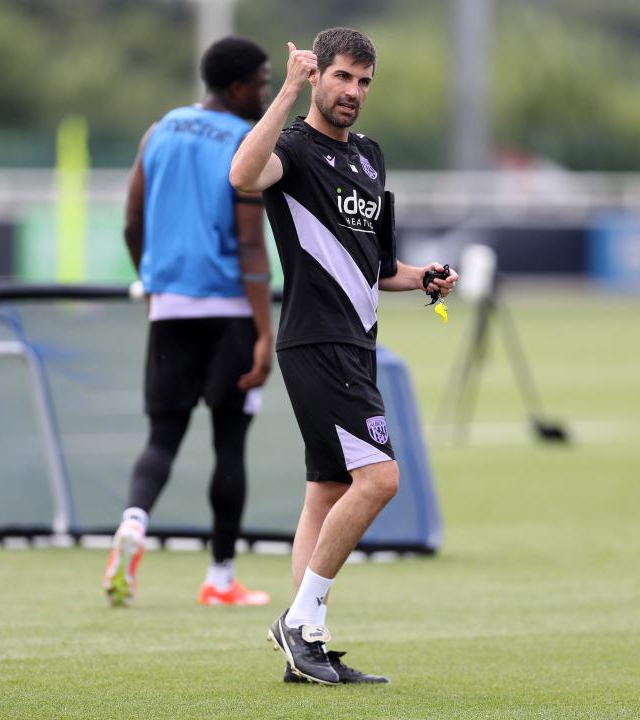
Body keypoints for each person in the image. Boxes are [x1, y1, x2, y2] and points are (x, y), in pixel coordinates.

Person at [229, 28, 458, 684]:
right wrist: (286, 92)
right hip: (317, 340)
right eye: (342, 77)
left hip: (357, 344)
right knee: (380, 480)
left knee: (328, 491)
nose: (354, 91)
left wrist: (424, 277)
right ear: (317, 77)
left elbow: (379, 267)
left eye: (364, 81)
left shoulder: (371, 157)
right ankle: (299, 620)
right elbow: (242, 175)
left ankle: (307, 643)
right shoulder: (293, 150)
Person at [102, 37, 275, 609]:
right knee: (229, 445)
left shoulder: (159, 130)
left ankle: (133, 522)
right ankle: (220, 579)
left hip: (170, 308)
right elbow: (250, 245)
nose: (267, 93)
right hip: (229, 312)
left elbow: (131, 222)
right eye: (262, 83)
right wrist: (264, 331)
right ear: (237, 88)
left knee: (162, 438)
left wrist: (152, 285)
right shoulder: (245, 141)